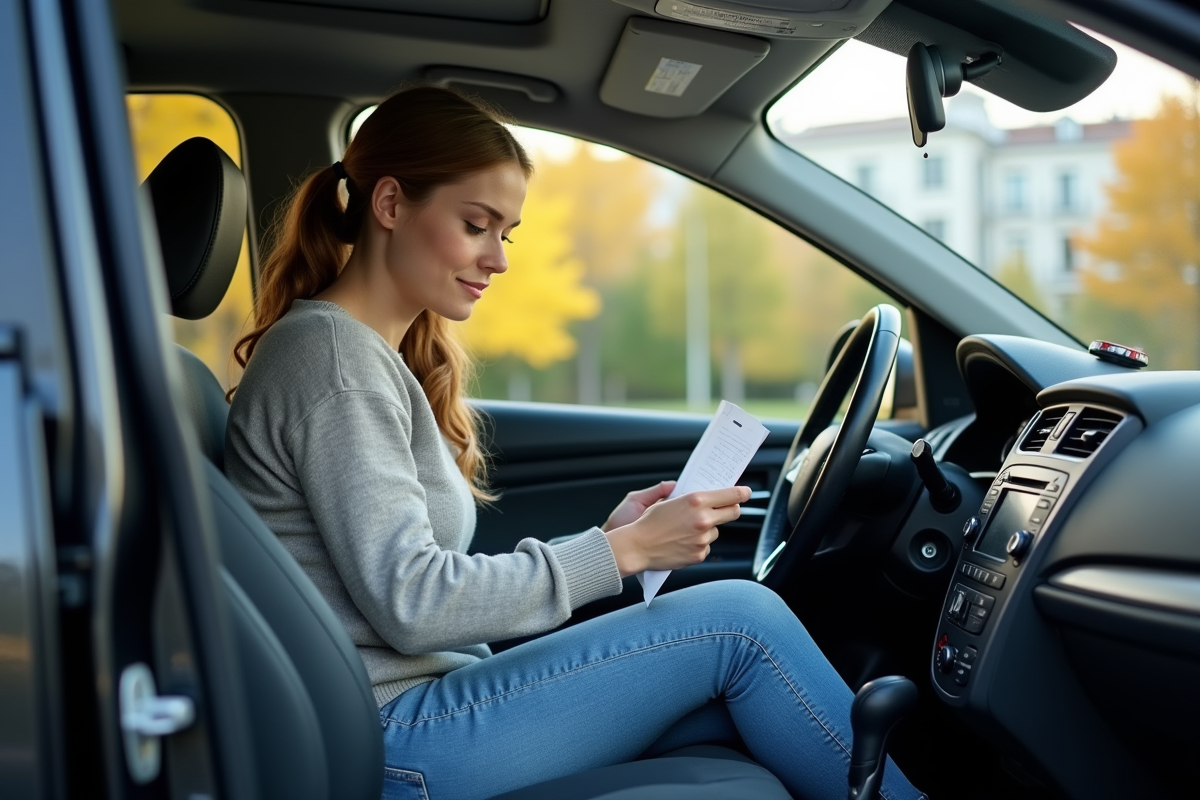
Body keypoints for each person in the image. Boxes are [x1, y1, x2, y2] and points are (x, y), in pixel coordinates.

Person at [224, 85, 924, 800]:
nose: (498, 259)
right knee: (741, 623)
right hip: (389, 739)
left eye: (508, 233)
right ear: (392, 205)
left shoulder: (366, 358)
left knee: (730, 702)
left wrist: (607, 540)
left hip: (419, 712)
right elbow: (415, 600)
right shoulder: (336, 364)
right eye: (476, 225)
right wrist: (624, 552)